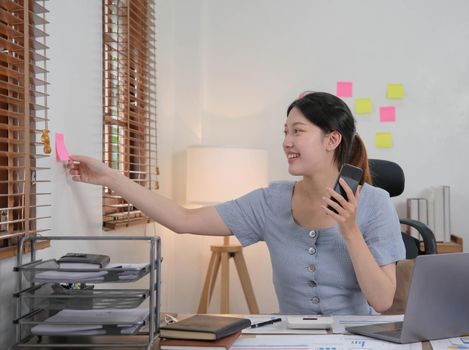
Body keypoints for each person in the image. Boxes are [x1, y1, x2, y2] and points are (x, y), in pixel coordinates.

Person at [67, 92, 405, 315]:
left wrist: (349, 230)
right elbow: (183, 220)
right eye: (285, 131)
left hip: (357, 341)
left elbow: (381, 300)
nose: (286, 142)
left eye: (298, 131)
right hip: (291, 340)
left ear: (332, 140)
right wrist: (111, 178)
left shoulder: (374, 205)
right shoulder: (270, 202)